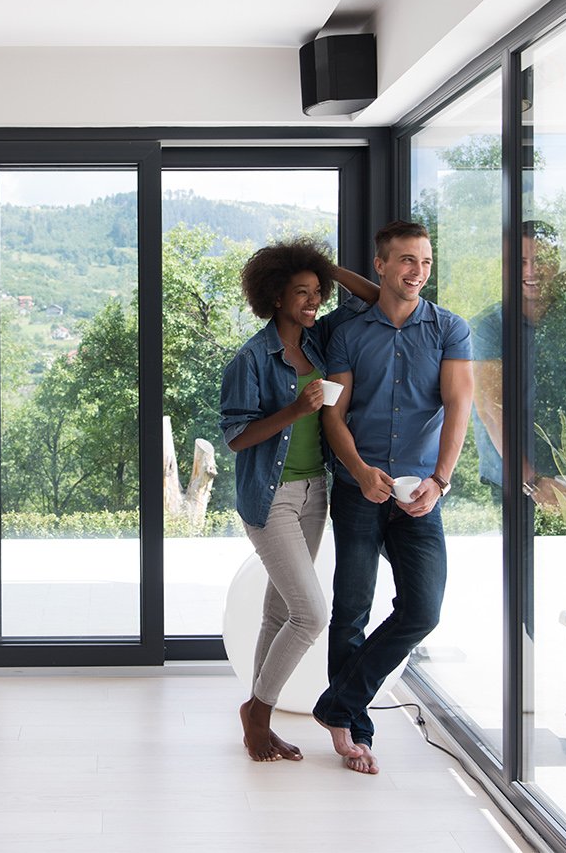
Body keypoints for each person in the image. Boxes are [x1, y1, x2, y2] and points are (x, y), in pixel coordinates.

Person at [313, 220, 473, 774]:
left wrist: (441, 480)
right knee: (351, 608)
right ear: (380, 264)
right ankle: (352, 730)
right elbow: (333, 413)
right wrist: (358, 470)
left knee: (422, 609)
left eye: (426, 262)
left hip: (421, 491)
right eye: (406, 260)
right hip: (360, 489)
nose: (418, 272)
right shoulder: (348, 333)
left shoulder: (450, 330)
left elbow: (459, 408)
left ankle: (338, 702)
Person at [219, 237, 379, 763]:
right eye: (301, 293)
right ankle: (258, 716)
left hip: (315, 493)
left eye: (317, 293)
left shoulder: (318, 340)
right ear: (274, 296)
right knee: (311, 615)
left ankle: (254, 714)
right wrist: (296, 408)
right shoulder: (251, 358)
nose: (313, 302)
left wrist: (320, 266)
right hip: (271, 498)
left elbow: (371, 299)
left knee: (279, 611)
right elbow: (237, 437)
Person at [470, 220, 566, 507]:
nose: (531, 271)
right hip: (512, 480)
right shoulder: (487, 327)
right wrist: (532, 482)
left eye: (541, 261)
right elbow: (490, 410)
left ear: (557, 261)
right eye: (521, 261)